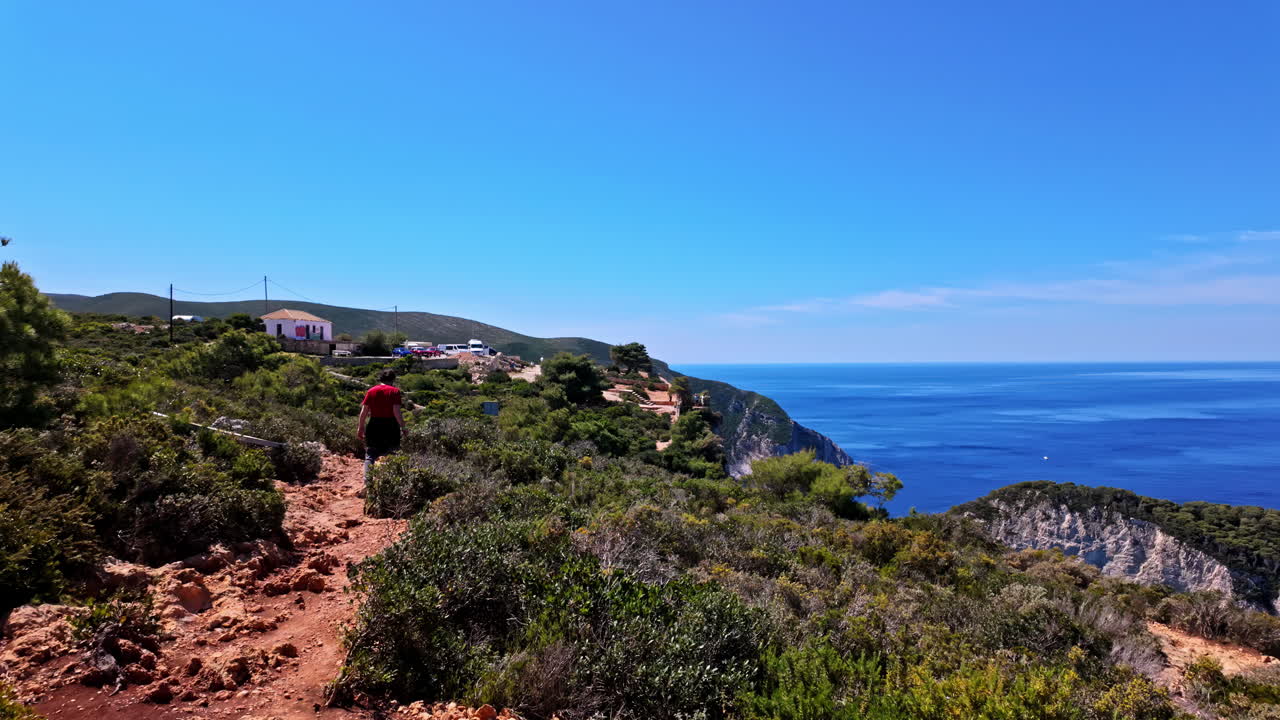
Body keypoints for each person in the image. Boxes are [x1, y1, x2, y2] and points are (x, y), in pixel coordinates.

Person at [357, 369, 406, 481]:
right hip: (391, 426)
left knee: (370, 455)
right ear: (393, 379)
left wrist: (360, 427)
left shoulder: (371, 391)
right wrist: (404, 427)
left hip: (374, 424)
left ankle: (367, 482)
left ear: (380, 379)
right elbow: (397, 412)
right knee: (392, 454)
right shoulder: (394, 392)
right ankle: (390, 482)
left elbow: (364, 412)